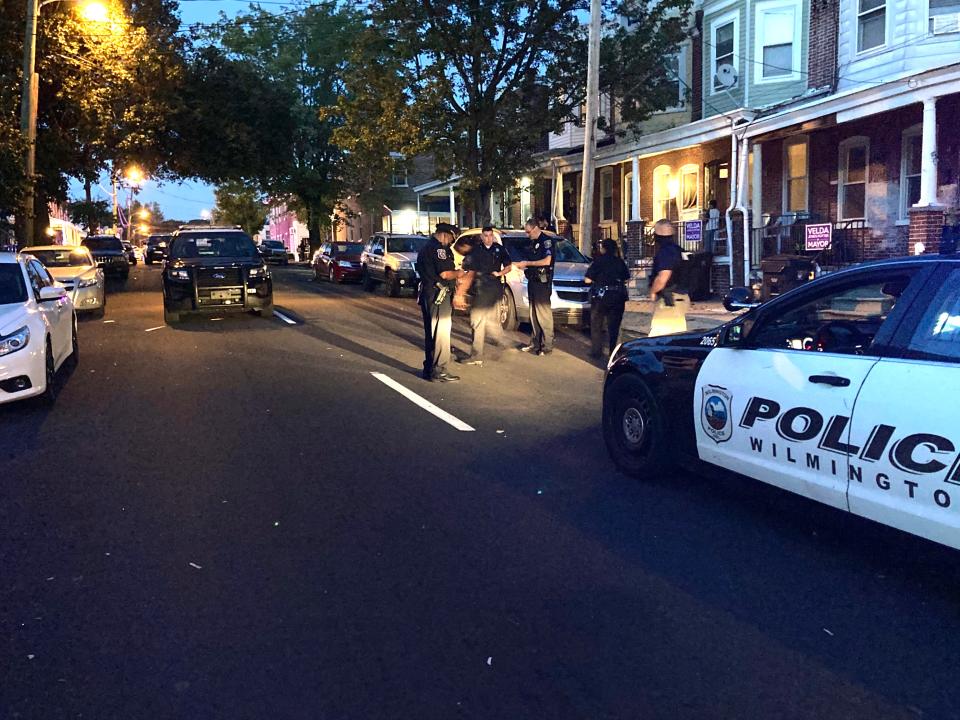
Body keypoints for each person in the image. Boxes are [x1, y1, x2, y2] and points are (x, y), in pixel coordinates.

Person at [415, 222, 465, 382]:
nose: (450, 243)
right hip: (439, 295)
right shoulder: (438, 250)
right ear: (445, 235)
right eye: (451, 239)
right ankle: (439, 370)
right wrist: (459, 273)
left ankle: (429, 368)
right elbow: (444, 273)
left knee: (432, 332)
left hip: (429, 294)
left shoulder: (426, 247)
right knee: (441, 333)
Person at [459, 226, 512, 366]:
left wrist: (500, 274)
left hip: (494, 288)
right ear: (482, 237)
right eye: (486, 235)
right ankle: (499, 345)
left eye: (490, 235)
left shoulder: (499, 249)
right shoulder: (476, 250)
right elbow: (467, 268)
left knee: (480, 320)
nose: (488, 238)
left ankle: (477, 355)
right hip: (480, 288)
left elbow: (508, 266)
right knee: (481, 321)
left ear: (493, 236)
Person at [512, 218, 555, 356]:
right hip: (532, 281)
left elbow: (547, 261)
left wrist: (528, 263)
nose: (527, 234)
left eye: (528, 232)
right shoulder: (533, 242)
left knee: (543, 314)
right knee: (533, 314)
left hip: (542, 282)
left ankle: (547, 344)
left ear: (536, 228)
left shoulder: (546, 242)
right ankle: (535, 342)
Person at [584, 238, 629, 359]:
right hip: (617, 296)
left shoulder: (598, 261)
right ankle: (613, 353)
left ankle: (596, 351)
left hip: (600, 297)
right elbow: (626, 277)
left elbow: (587, 280)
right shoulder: (620, 262)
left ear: (603, 248)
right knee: (614, 327)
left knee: (596, 325)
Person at [648, 219, 689, 337]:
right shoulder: (679, 250)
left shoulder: (666, 252)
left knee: (657, 341)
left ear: (658, 234)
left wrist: (653, 291)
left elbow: (663, 276)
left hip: (669, 301)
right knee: (676, 339)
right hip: (681, 298)